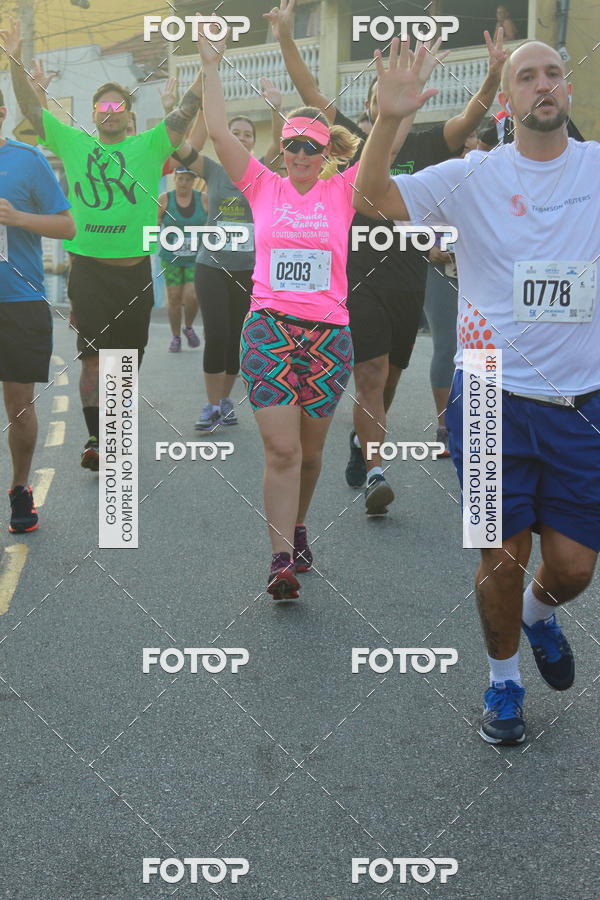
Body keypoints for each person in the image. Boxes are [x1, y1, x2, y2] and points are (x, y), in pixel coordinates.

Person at [354, 38, 599, 745]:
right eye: (528, 77)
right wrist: (389, 120)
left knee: (575, 566)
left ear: (568, 92)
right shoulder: (473, 174)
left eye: (555, 72)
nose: (543, 84)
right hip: (491, 394)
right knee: (500, 556)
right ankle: (503, 685)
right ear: (507, 99)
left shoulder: (595, 168)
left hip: (584, 400)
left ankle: (540, 615)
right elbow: (373, 197)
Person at [268, 0, 509, 514]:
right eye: (380, 95)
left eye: (398, 94)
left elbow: (473, 115)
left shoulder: (430, 140)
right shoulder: (352, 141)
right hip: (355, 278)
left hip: (408, 278)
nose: (389, 100)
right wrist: (286, 35)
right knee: (371, 371)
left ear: (413, 98)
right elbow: (310, 91)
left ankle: (362, 442)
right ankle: (377, 468)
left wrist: (492, 75)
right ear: (374, 103)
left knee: (391, 375)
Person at [198, 24, 370, 598]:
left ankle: (298, 525)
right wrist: (211, 64)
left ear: (325, 154)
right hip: (269, 326)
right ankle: (279, 559)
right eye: (292, 143)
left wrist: (388, 110)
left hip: (329, 335)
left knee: (313, 454)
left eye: (311, 146)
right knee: (282, 447)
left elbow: (382, 148)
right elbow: (218, 130)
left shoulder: (342, 191)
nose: (299, 153)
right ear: (280, 146)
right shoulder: (261, 185)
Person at [2, 17, 206, 472]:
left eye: (117, 106)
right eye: (102, 106)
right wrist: (15, 58)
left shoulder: (152, 145)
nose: (109, 112)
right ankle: (97, 439)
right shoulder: (75, 143)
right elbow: (32, 112)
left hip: (134, 273)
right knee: (93, 361)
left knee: (125, 368)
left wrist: (208, 62)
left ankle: (118, 428)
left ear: (128, 115)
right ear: (94, 114)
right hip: (88, 271)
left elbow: (188, 109)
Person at [184, 79, 285, 431]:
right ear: (224, 137)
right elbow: (178, 149)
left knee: (238, 337)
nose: (241, 138)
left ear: (252, 142)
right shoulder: (212, 170)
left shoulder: (261, 172)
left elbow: (280, 145)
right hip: (211, 266)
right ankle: (211, 405)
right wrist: (188, 107)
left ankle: (225, 400)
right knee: (216, 333)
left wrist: (275, 107)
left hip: (248, 269)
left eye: (246, 134)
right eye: (235, 132)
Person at [0, 86, 75, 532]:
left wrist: (18, 218)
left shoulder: (28, 160)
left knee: (19, 405)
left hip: (20, 301)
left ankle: (20, 487)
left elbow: (66, 226)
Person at [424, 131, 479, 456]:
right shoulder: (438, 179)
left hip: (482, 274)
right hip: (441, 272)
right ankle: (444, 427)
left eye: (475, 147)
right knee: (446, 347)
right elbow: (404, 218)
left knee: (482, 347)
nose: (470, 153)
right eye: (465, 147)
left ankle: (478, 428)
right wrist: (428, 246)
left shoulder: (491, 179)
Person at [157, 167, 205, 352]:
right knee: (174, 298)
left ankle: (189, 327)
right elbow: (155, 222)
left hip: (195, 258)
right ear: (174, 179)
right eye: (180, 178)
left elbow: (213, 224)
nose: (184, 183)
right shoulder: (165, 199)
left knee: (192, 296)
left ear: (193, 181)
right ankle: (175, 336)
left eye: (188, 179)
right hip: (171, 259)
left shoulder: (203, 199)